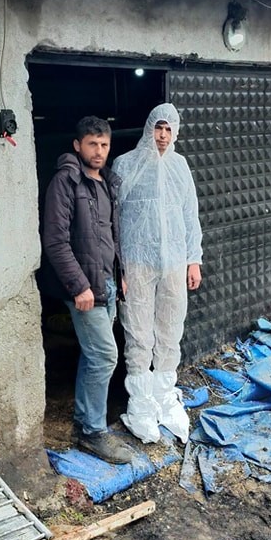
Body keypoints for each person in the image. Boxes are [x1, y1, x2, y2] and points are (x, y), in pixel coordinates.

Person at [39, 116, 135, 465]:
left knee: (95, 354)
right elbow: (55, 240)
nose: (99, 151)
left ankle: (86, 422)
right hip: (84, 287)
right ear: (77, 146)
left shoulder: (106, 182)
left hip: (105, 283)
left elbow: (111, 234)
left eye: (105, 144)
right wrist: (79, 286)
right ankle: (92, 432)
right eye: (92, 144)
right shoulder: (65, 181)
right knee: (106, 355)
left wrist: (118, 273)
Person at [112, 103, 203, 444]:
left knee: (169, 327)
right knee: (138, 330)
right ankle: (140, 404)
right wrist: (117, 265)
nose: (163, 135)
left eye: (169, 129)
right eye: (158, 127)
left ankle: (165, 396)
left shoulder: (180, 167)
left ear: (175, 132)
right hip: (137, 262)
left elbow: (190, 215)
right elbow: (114, 220)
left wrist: (194, 259)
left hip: (175, 262)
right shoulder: (125, 164)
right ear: (148, 128)